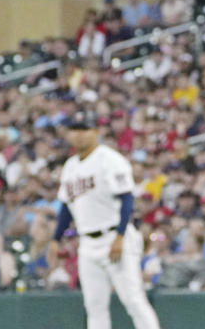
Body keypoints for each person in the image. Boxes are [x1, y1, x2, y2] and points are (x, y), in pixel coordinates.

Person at [50, 111, 160, 329]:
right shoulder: (70, 166)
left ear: (97, 132)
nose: (79, 135)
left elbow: (127, 199)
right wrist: (55, 238)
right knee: (94, 307)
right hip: (88, 244)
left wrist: (119, 236)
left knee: (134, 301)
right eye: (75, 130)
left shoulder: (109, 160)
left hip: (114, 237)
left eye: (85, 130)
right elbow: (66, 207)